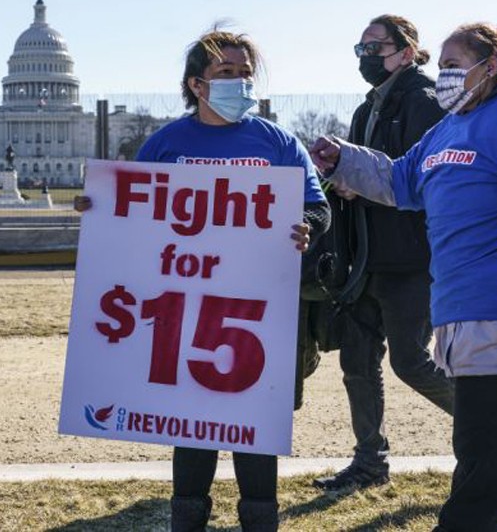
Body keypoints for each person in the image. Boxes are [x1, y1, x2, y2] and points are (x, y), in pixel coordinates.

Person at [310, 23, 497, 531]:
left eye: (455, 66)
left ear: (491, 66)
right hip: (465, 312)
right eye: (442, 68)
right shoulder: (447, 129)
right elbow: (400, 180)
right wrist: (344, 159)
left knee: (481, 458)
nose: (445, 78)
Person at [77, 29, 329, 531]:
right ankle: (187, 519)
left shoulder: (277, 142)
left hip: (256, 308)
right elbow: (131, 212)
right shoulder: (166, 144)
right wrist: (97, 209)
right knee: (192, 422)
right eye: (225, 73)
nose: (239, 81)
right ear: (197, 84)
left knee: (253, 426)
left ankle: (261, 521)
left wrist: (308, 228)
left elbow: (316, 205)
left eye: (244, 73)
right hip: (184, 307)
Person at [312, 15, 454, 492]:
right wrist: (337, 177)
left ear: (408, 51)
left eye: (376, 47)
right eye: (361, 48)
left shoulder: (425, 102)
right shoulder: (366, 109)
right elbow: (363, 173)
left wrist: (361, 186)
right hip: (366, 259)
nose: (366, 56)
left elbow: (422, 176)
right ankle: (370, 463)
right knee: (356, 361)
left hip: (411, 260)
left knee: (411, 362)